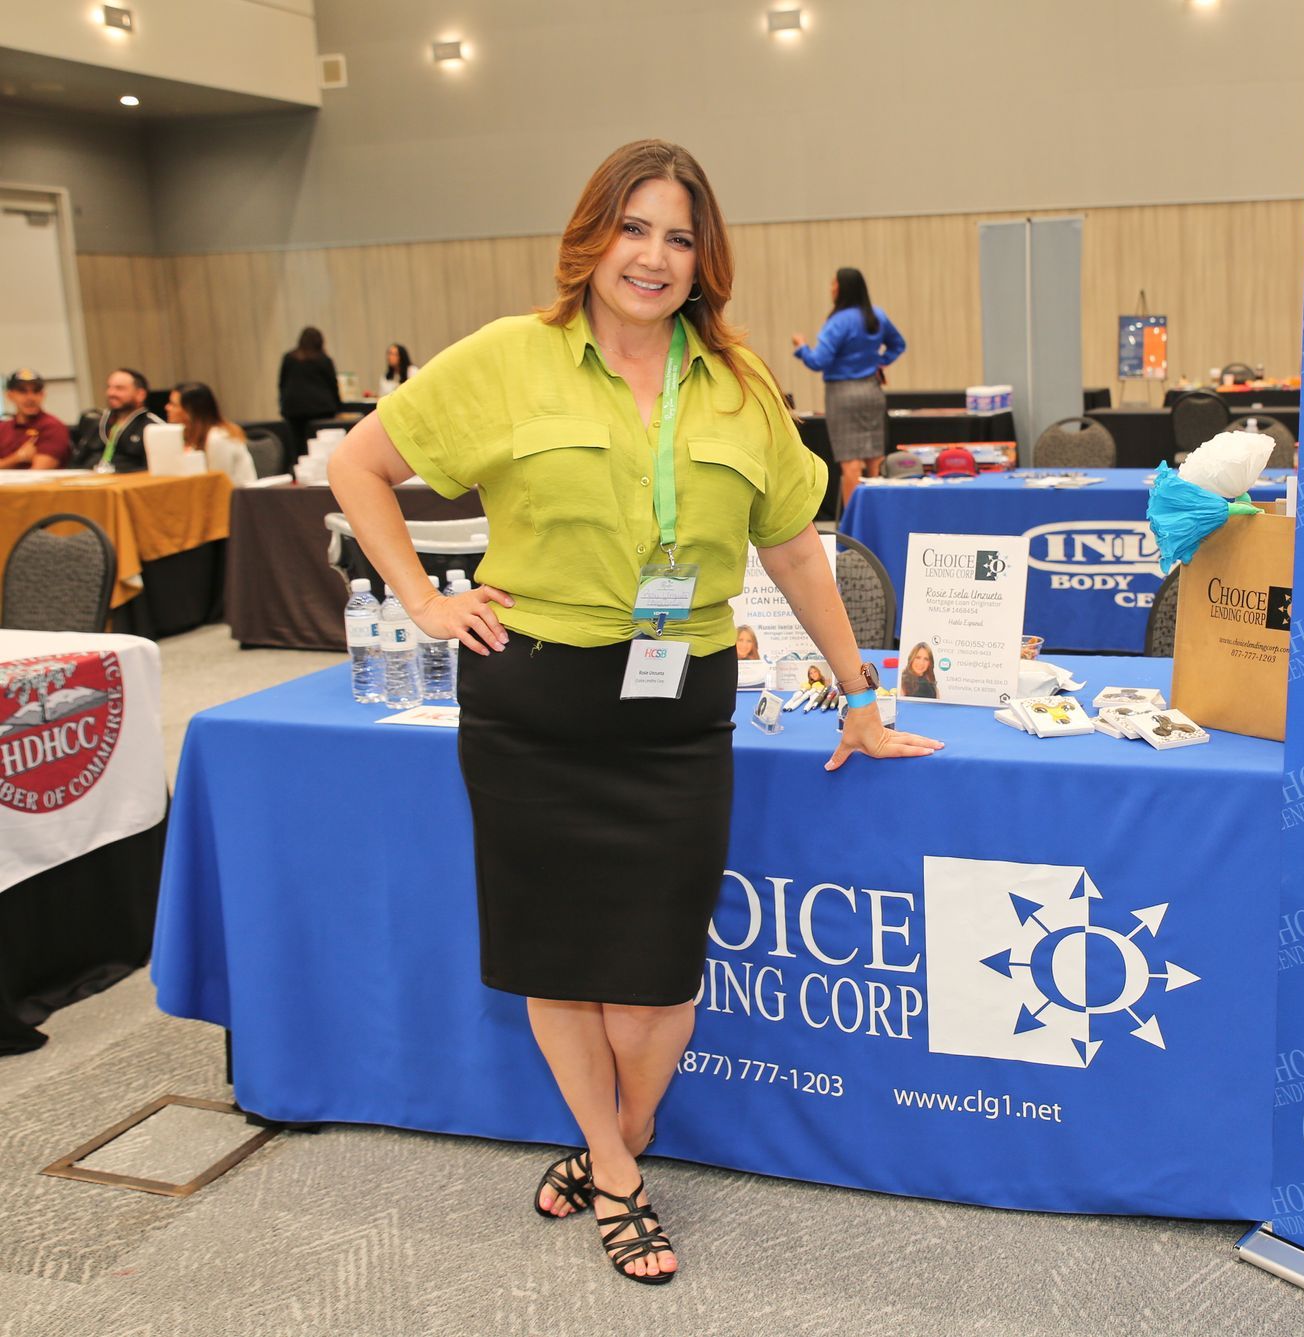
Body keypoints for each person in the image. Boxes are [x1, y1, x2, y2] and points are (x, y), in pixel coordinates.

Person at [328, 138, 942, 1287]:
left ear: (703, 258)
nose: (653, 257)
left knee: (658, 972)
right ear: (591, 238)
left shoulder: (741, 385)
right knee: (557, 961)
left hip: (673, 712)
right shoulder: (512, 358)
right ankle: (616, 1168)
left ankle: (629, 1133)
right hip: (533, 703)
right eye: (634, 228)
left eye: (677, 236)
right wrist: (420, 597)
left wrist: (860, 694)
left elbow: (797, 550)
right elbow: (358, 467)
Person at [790, 267, 906, 509]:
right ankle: (877, 517)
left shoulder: (837, 322)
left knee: (851, 463)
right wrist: (879, 362)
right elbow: (898, 345)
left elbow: (818, 362)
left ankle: (854, 528)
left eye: (834, 284)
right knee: (875, 459)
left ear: (843, 289)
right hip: (872, 392)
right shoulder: (877, 316)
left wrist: (801, 347)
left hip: (842, 395)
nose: (831, 288)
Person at [70, 368, 162, 472]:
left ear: (140, 395)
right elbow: (76, 463)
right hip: (87, 482)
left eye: (119, 388)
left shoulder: (153, 427)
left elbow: (156, 471)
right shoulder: (98, 423)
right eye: (109, 387)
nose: (111, 393)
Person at [167, 381, 257, 484]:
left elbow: (217, 484)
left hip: (235, 497)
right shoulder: (189, 435)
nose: (167, 408)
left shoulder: (218, 437)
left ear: (189, 411)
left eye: (173, 405)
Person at [278, 326, 342, 450]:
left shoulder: (289, 358)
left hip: (293, 409)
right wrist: (338, 407)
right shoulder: (324, 360)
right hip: (321, 409)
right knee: (321, 446)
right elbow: (332, 384)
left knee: (298, 446)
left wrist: (282, 404)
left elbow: (282, 383)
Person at [0, 368, 71, 470]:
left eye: (36, 391)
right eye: (22, 391)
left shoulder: (52, 427)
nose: (30, 397)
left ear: (42, 395)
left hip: (38, 485)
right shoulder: (3, 428)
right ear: (10, 396)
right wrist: (18, 457)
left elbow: (37, 473)